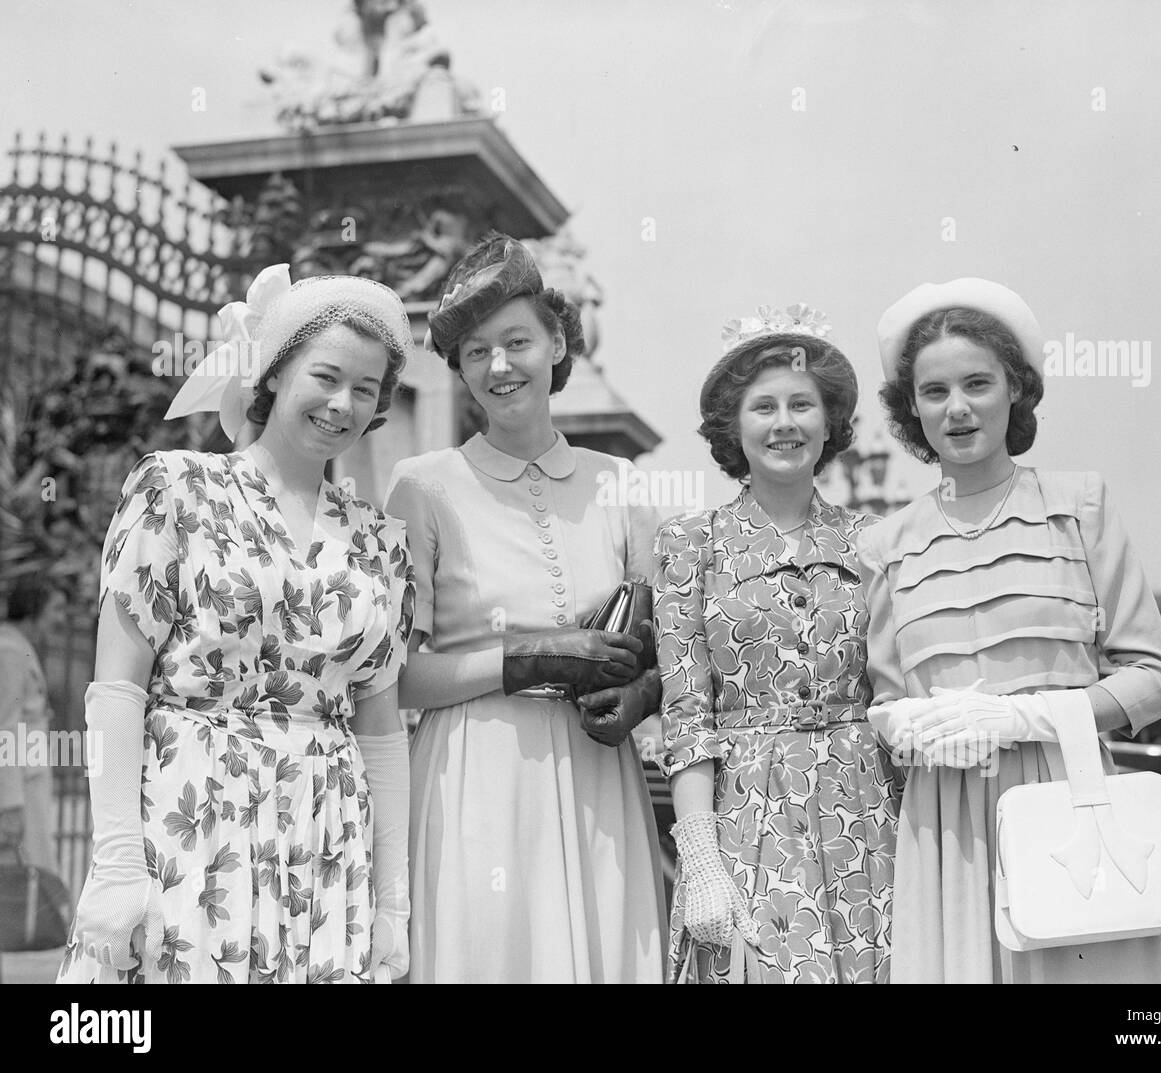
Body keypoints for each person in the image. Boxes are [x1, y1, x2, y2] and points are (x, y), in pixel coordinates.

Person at [57, 265, 416, 983]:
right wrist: (118, 858)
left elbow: (380, 728)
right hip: (192, 827)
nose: (343, 403)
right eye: (326, 375)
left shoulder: (381, 540)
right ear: (275, 372)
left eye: (367, 389)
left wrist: (393, 901)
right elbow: (117, 688)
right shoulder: (176, 489)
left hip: (325, 841)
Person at [858, 278, 1161, 983]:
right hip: (944, 825)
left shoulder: (1079, 506)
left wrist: (1022, 716)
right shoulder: (884, 545)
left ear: (1016, 390)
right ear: (911, 410)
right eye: (934, 391)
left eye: (978, 382)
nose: (959, 407)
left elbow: (1155, 678)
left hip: (1068, 799)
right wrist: (910, 721)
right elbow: (885, 701)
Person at [385, 232, 666, 983]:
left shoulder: (622, 486)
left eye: (518, 341)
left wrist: (643, 691)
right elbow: (399, 677)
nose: (499, 366)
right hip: (474, 770)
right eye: (476, 352)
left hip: (595, 770)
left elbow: (674, 646)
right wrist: (523, 659)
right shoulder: (422, 485)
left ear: (558, 345)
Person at [656, 306, 905, 984]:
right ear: (733, 426)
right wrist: (701, 856)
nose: (784, 422)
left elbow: (898, 691)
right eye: (763, 406)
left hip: (871, 811)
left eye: (803, 404)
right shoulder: (691, 544)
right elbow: (686, 716)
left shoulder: (876, 541)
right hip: (747, 819)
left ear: (830, 423)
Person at [0, 575, 66, 872]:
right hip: (21, 790)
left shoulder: (18, 646)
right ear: (33, 607)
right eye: (57, 609)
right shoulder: (9, 651)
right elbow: (5, 727)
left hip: (30, 782)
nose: (61, 619)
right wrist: (10, 803)